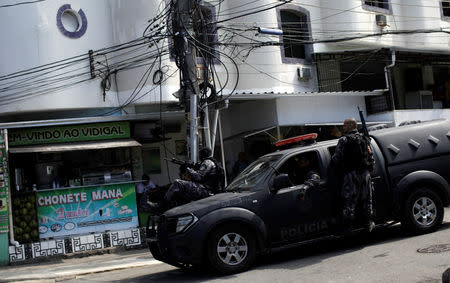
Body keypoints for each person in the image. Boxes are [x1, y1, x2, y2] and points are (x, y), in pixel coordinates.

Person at [331, 118, 375, 233]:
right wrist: (370, 170)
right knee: (367, 198)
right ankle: (368, 223)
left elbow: (336, 158)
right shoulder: (364, 138)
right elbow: (371, 156)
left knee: (349, 200)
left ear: (350, 125)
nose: (343, 127)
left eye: (344, 125)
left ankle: (348, 226)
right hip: (365, 174)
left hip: (351, 174)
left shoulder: (344, 140)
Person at [148, 147, 221, 213]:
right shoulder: (212, 162)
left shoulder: (207, 162)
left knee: (178, 183)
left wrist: (188, 169)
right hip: (205, 190)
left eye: (200, 154)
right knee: (181, 192)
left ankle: (160, 206)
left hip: (205, 190)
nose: (199, 156)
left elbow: (199, 177)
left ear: (203, 154)